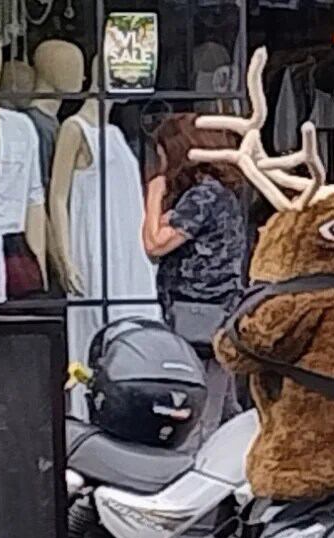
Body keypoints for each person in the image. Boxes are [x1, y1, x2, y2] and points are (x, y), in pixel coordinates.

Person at [142, 113, 247, 446]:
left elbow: (154, 244)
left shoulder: (203, 196)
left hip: (201, 313)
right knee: (227, 406)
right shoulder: (216, 195)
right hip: (216, 312)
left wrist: (154, 193)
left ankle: (201, 481)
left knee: (203, 415)